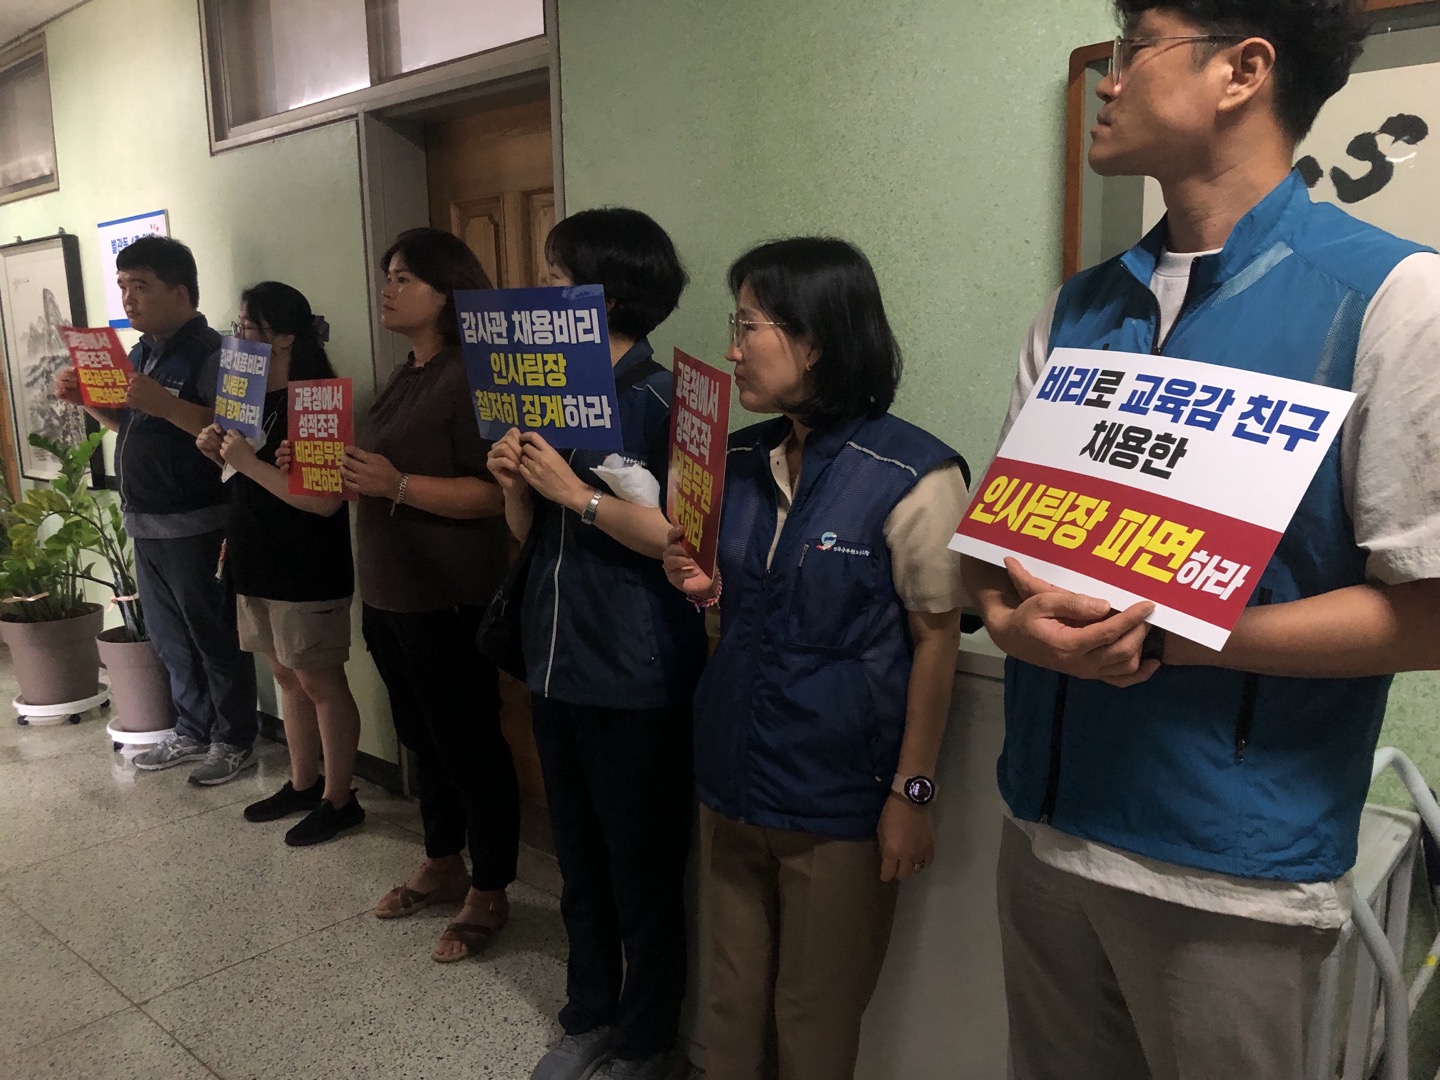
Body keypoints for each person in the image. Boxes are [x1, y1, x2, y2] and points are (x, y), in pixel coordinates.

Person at [960, 3, 1440, 1078]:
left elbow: (1426, 613)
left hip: (1229, 872)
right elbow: (996, 547)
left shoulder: (1394, 297)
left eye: (1137, 51)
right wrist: (1004, 617)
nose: (1109, 81)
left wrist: (1171, 639)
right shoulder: (1078, 309)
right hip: (1043, 828)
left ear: (1243, 72)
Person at [663, 237, 969, 1080]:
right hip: (730, 784)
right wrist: (697, 583)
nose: (732, 351)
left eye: (747, 326)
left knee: (815, 1021)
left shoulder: (914, 475)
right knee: (728, 1011)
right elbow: (738, 607)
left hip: (838, 806)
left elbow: (936, 641)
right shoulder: (736, 461)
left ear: (817, 340)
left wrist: (912, 794)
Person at [487, 208, 706, 1080]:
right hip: (553, 660)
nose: (538, 294)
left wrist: (573, 493)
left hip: (635, 670)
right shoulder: (545, 397)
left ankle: (647, 1041)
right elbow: (529, 536)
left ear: (603, 297)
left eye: (552, 278)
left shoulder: (663, 399)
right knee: (577, 858)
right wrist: (517, 484)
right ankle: (588, 1015)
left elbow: (686, 540)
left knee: (640, 869)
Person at [344, 228, 519, 962]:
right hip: (391, 593)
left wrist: (398, 485)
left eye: (405, 278)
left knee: (470, 744)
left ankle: (491, 885)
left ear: (449, 293)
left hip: (449, 595)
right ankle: (443, 860)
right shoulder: (406, 372)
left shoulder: (474, 374)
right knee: (423, 741)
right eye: (388, 275)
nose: (388, 289)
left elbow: (494, 492)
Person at [55, 235, 258, 784]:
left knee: (214, 638)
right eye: (123, 286)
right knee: (171, 641)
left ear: (181, 291)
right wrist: (88, 402)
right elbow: (134, 424)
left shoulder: (215, 353)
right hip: (145, 522)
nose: (128, 298)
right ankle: (192, 730)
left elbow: (233, 433)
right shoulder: (142, 352)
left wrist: (166, 404)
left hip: (199, 522)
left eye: (140, 286)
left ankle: (234, 739)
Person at [196, 281, 364, 847]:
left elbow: (323, 503)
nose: (239, 336)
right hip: (254, 556)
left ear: (285, 337)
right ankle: (302, 782)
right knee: (286, 676)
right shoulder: (246, 399)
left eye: (248, 326)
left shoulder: (317, 402)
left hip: (305, 565)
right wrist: (221, 454)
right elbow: (245, 477)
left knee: (320, 681)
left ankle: (340, 799)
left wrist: (247, 462)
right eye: (239, 325)